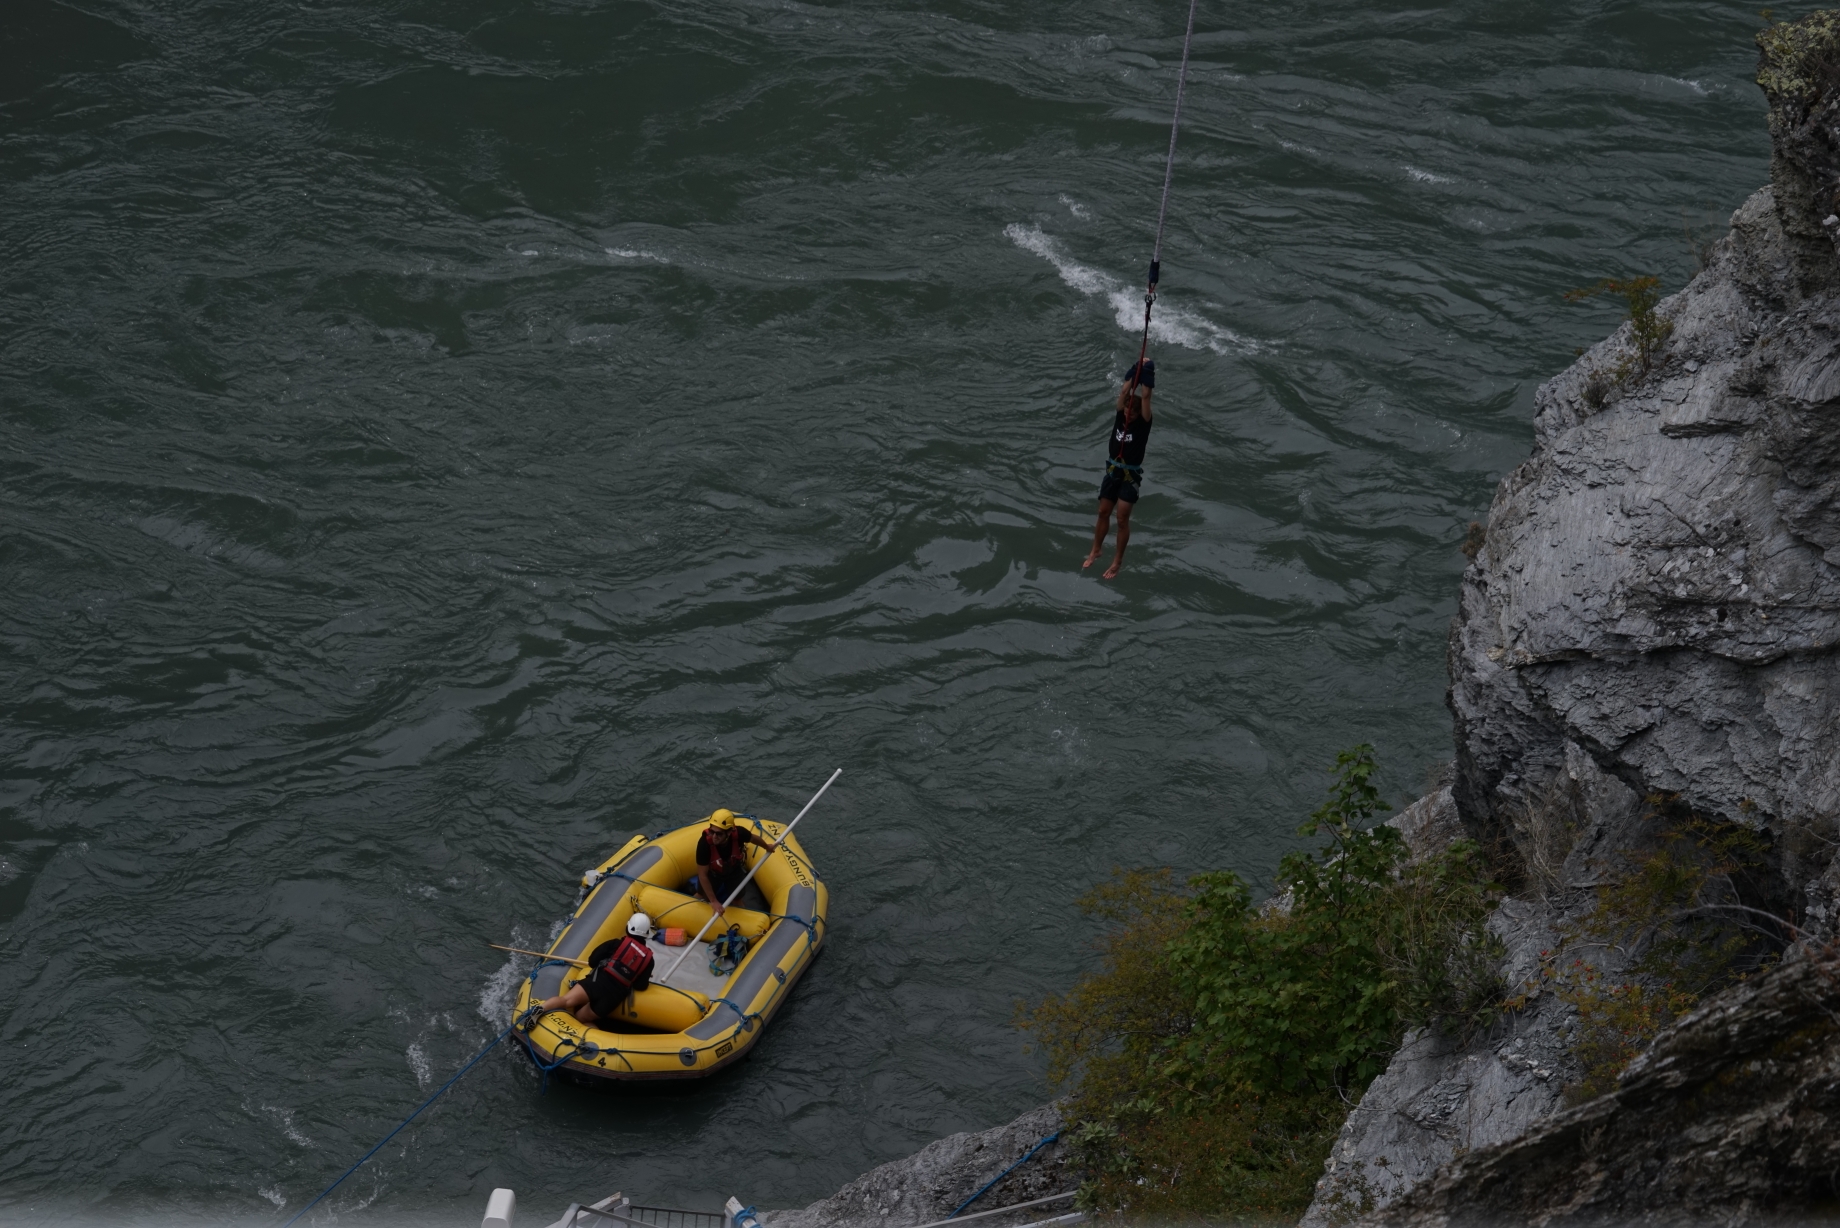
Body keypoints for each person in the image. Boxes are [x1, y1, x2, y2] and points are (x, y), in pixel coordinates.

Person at [1083, 359, 1154, 579]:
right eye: (1125, 412)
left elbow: (1146, 395)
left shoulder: (1143, 422)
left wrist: (1148, 370)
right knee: (1103, 512)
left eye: (1131, 414)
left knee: (1122, 519)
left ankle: (1117, 561)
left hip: (1130, 475)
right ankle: (1096, 548)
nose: (1127, 416)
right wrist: (1136, 367)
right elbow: (1125, 390)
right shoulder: (1119, 415)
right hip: (1113, 471)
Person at [534, 912, 655, 1025]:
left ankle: (542, 1008)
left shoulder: (615, 944)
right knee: (581, 1018)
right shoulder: (649, 960)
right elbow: (641, 986)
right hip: (614, 996)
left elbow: (593, 961)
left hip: (597, 982)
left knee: (566, 1001)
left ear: (628, 927)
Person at [694, 808, 778, 917]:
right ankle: (690, 912)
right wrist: (714, 901)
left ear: (729, 832)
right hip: (713, 873)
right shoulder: (704, 844)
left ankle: (743, 921)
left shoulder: (739, 833)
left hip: (733, 871)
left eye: (719, 834)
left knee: (737, 899)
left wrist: (767, 847)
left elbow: (753, 838)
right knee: (701, 895)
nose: (714, 836)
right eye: (712, 831)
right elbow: (702, 875)